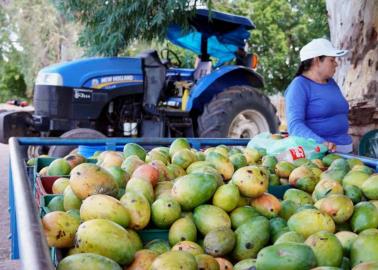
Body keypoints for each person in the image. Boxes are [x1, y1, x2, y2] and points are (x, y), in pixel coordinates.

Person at [284, 38, 353, 153]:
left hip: (346, 151)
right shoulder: (299, 86)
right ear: (316, 61)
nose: (336, 64)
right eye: (332, 60)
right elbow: (295, 126)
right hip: (321, 155)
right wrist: (321, 143)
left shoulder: (331, 83)